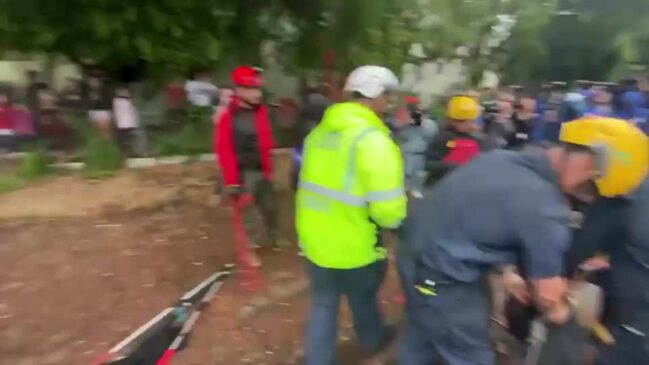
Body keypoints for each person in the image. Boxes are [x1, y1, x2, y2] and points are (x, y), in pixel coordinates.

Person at [396, 116, 648, 365]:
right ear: (588, 160)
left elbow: (483, 219)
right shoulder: (544, 207)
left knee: (421, 329)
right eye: (592, 187)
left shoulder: (503, 160)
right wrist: (565, 322)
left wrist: (506, 270)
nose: (589, 197)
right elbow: (548, 295)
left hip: (413, 255)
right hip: (442, 278)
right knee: (469, 352)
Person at [296, 65, 407, 365]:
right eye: (387, 96)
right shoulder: (374, 142)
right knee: (363, 296)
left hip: (315, 240)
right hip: (355, 245)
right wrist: (400, 223)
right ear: (374, 95)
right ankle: (372, 339)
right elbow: (388, 212)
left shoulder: (318, 134)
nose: (388, 103)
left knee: (323, 305)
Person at [214, 66, 278, 267]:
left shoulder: (262, 112)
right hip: (242, 174)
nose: (257, 94)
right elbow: (224, 151)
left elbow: (266, 141)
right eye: (251, 89)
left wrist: (268, 169)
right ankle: (248, 251)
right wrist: (232, 182)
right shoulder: (228, 117)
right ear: (239, 91)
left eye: (258, 89)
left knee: (270, 208)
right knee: (246, 216)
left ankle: (270, 239)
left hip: (262, 171)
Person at [424, 95, 489, 187]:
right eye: (471, 121)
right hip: (441, 185)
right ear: (459, 121)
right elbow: (428, 164)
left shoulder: (474, 139)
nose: (473, 125)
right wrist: (453, 167)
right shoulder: (444, 137)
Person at [395, 96, 438, 197]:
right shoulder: (404, 121)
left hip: (420, 157)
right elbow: (399, 131)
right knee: (401, 183)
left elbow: (431, 133)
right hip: (405, 155)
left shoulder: (429, 123)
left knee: (415, 187)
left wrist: (418, 120)